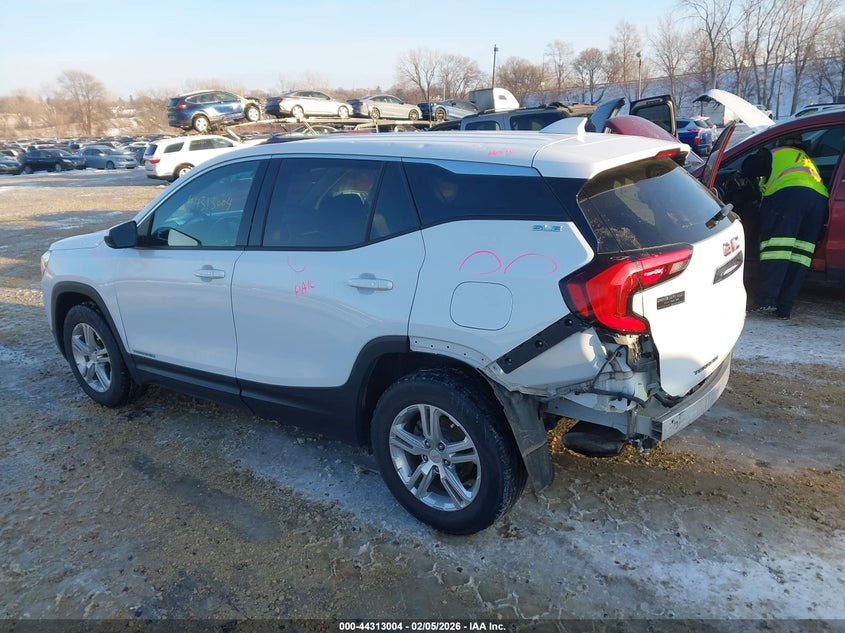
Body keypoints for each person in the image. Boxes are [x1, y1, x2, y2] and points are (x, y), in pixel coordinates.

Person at [740, 145, 829, 319]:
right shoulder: (803, 159)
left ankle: (766, 301)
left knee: (776, 251)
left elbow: (748, 168)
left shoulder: (774, 154)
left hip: (789, 196)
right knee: (800, 256)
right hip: (818, 201)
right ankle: (784, 307)